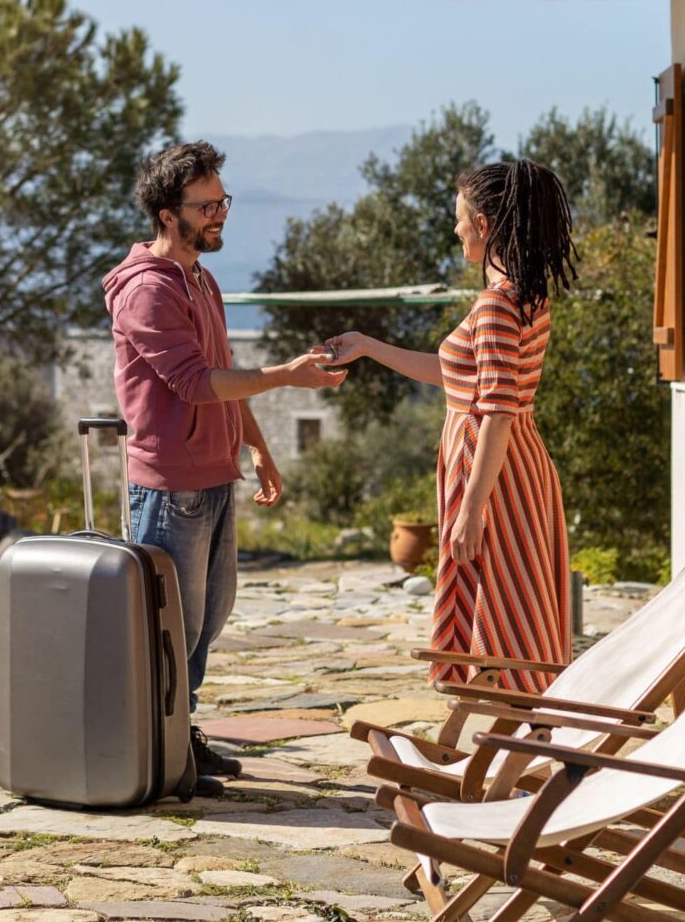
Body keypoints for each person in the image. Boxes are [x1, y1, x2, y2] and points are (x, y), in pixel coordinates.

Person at [102, 140, 345, 793]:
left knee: (208, 618)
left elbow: (228, 376)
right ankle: (157, 754)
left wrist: (259, 447)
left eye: (222, 201)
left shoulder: (201, 280)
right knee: (168, 630)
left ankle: (180, 732)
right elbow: (197, 383)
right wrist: (289, 375)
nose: (219, 215)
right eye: (205, 206)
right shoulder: (146, 291)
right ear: (164, 212)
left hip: (213, 476)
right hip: (168, 485)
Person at [319, 159, 578, 694]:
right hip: (513, 467)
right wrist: (368, 346)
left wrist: (472, 510)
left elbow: (497, 414)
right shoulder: (524, 298)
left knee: (498, 611)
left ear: (484, 224)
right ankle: (514, 741)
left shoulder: (495, 307)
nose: (455, 228)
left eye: (460, 218)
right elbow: (460, 378)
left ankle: (515, 740)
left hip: (494, 475)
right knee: (508, 603)